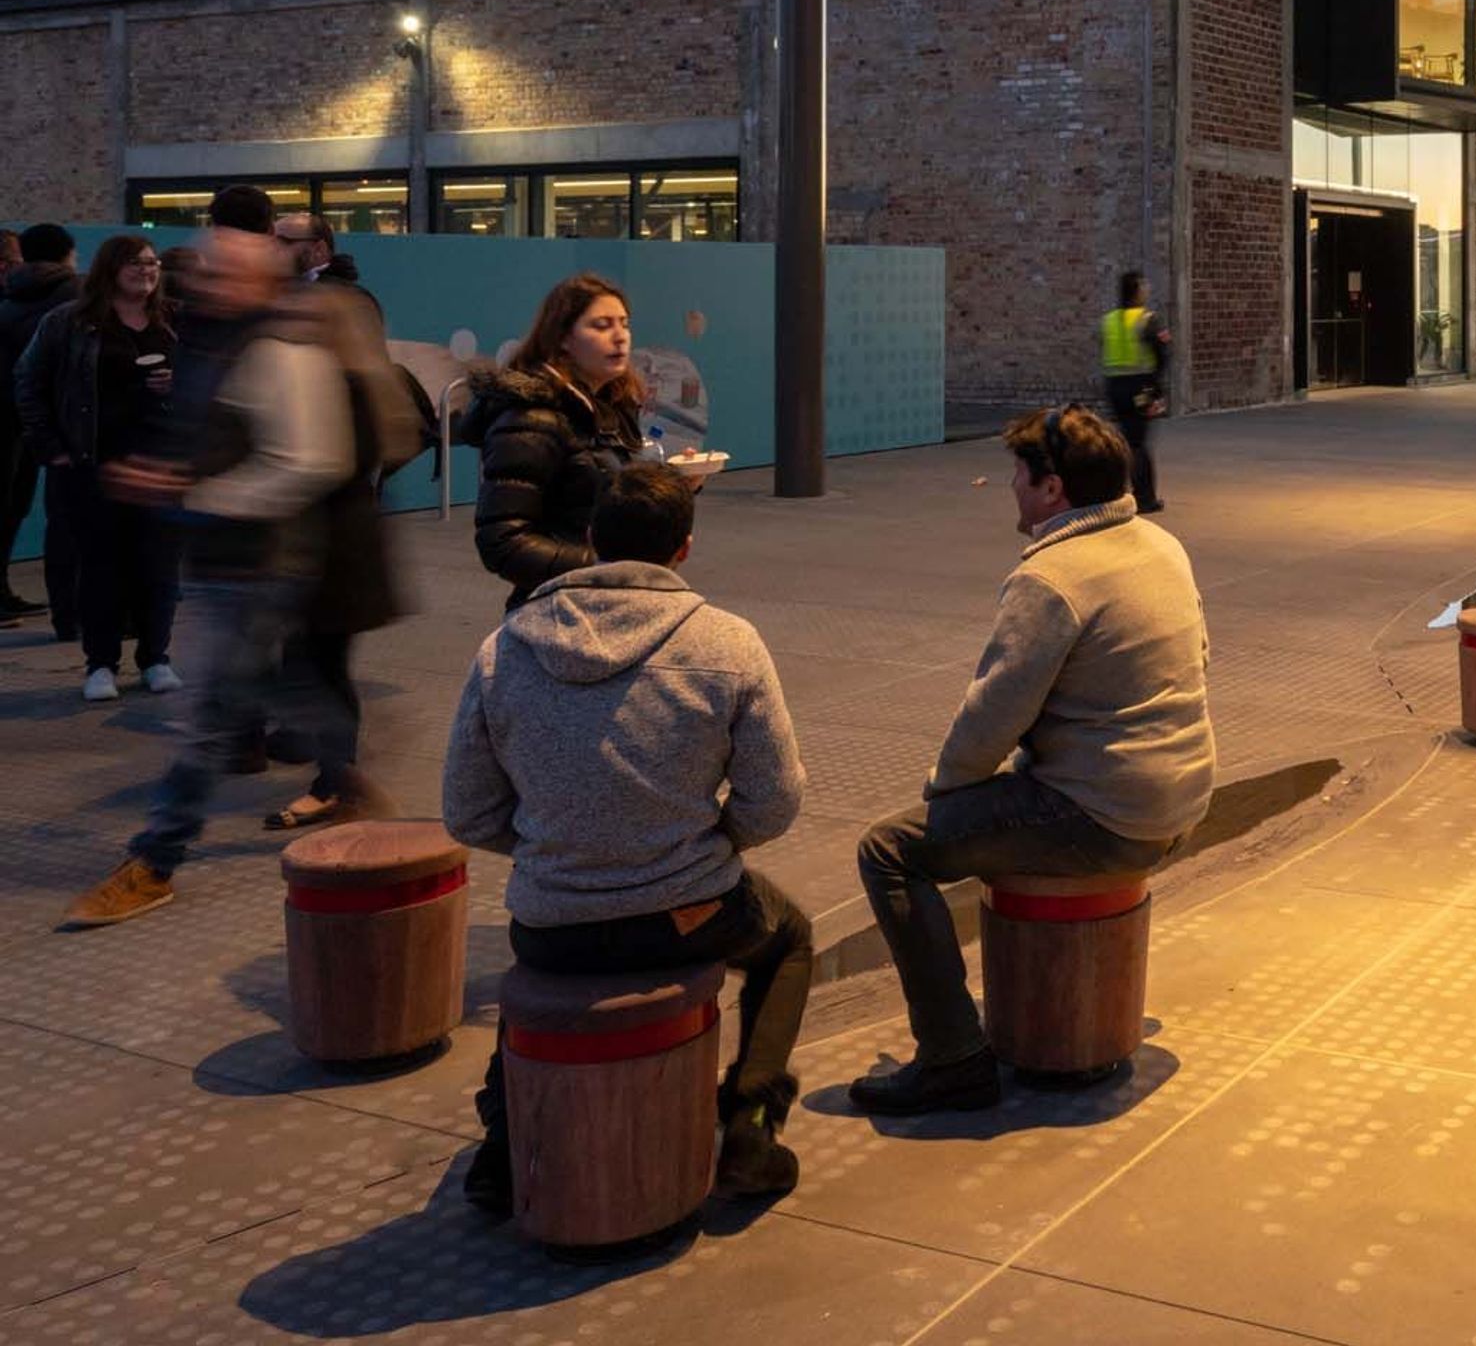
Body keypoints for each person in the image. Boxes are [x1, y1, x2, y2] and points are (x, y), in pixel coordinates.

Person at [443, 462, 811, 1211]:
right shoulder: (728, 642)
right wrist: (704, 842)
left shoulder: (503, 649)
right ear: (683, 549)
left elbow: (467, 812)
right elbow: (775, 799)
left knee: (541, 988)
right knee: (790, 939)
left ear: (589, 541)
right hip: (688, 913)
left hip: (552, 923)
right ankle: (749, 1124)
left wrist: (563, 849)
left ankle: (503, 1146)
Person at [849, 404, 1215, 1114]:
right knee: (991, 806)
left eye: (1019, 473)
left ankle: (952, 1055)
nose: (1010, 485)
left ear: (1052, 490)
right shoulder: (1163, 545)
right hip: (1184, 797)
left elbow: (991, 716)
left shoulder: (1052, 578)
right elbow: (1200, 660)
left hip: (1102, 815)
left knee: (889, 850)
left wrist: (946, 796)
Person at [59, 219, 387, 929]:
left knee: (207, 720)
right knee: (283, 689)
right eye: (203, 269)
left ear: (258, 281)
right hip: (218, 558)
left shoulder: (279, 353)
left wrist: (195, 493)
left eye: (221, 272)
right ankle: (352, 782)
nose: (203, 280)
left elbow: (310, 462)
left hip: (263, 561)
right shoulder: (213, 342)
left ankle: (155, 859)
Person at [263, 217, 421, 831]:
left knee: (319, 669)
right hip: (325, 551)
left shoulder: (343, 389)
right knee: (316, 668)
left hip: (332, 554)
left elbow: (320, 470)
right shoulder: (336, 383)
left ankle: (339, 781)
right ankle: (336, 775)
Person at [15, 236, 181, 701]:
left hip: (160, 464)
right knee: (99, 567)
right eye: (135, 263)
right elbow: (28, 383)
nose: (147, 271)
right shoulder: (68, 322)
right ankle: (101, 664)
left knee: (159, 569)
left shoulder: (173, 321)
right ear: (110, 268)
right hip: (90, 464)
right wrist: (51, 448)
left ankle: (155, 658)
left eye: (153, 262)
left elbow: (208, 382)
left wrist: (177, 382)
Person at [465, 274, 644, 611]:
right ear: (563, 338)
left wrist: (674, 488)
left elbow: (604, 496)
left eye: (624, 324)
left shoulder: (609, 405)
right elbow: (502, 542)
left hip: (607, 600)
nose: (620, 337)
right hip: (556, 613)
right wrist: (602, 568)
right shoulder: (531, 419)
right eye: (602, 325)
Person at [0, 224, 82, 633]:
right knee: (30, 508)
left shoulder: (10, 295)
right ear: (69, 253)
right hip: (43, 418)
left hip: (16, 413)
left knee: (14, 506)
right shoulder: (74, 296)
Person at [1099, 270, 1169, 516]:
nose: (1147, 290)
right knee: (1138, 443)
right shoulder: (1147, 319)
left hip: (1114, 387)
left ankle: (1114, 491)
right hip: (1140, 387)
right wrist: (1157, 391)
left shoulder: (1108, 321)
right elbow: (1162, 356)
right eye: (1145, 286)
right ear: (1137, 290)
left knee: (1124, 439)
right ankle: (1145, 498)